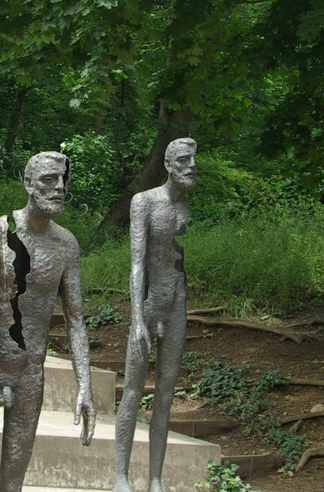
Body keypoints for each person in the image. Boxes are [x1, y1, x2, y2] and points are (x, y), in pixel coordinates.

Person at [0, 151, 96, 492]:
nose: (59, 188)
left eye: (63, 180)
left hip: (31, 373)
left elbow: (76, 321)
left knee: (14, 475)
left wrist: (85, 386)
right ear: (29, 184)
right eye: (49, 180)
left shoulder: (66, 245)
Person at [113, 137, 197, 492]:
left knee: (165, 394)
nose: (191, 166)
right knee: (132, 390)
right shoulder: (144, 202)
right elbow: (136, 264)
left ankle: (156, 479)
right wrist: (136, 320)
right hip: (147, 304)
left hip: (177, 302)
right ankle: (120, 474)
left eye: (193, 159)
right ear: (168, 164)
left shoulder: (185, 208)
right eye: (183, 160)